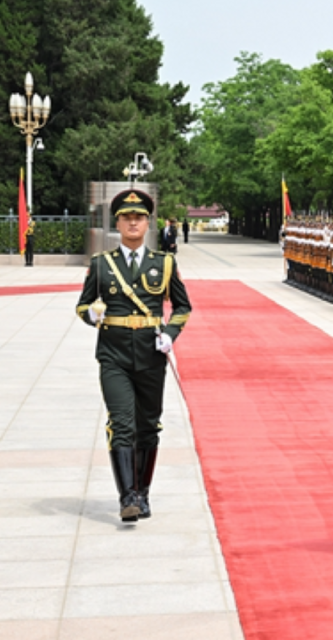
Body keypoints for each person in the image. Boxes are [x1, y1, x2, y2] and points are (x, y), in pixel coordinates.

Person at [75, 189, 192, 523]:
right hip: (113, 354)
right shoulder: (101, 265)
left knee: (149, 426)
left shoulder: (164, 263)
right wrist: (92, 315)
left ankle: (143, 493)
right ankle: (127, 496)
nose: (133, 223)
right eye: (127, 218)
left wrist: (169, 334)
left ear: (146, 222)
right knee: (121, 423)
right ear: (118, 223)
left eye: (138, 217)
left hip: (151, 355)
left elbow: (183, 306)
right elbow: (82, 304)